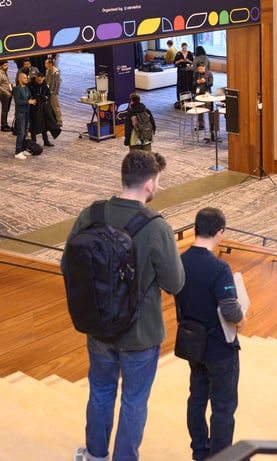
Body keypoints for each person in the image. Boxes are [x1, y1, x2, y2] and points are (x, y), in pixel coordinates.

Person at [66, 150, 185, 461]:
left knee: (101, 392)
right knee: (134, 400)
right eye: (157, 181)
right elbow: (175, 283)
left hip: (98, 327)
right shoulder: (156, 227)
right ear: (149, 184)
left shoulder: (90, 215)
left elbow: (68, 264)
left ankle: (95, 455)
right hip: (140, 334)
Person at [175, 207, 246, 461]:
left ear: (194, 230)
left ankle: (199, 451)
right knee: (223, 407)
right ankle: (220, 456)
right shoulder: (219, 268)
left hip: (192, 344)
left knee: (197, 398)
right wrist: (242, 319)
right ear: (220, 233)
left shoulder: (180, 261)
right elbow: (230, 310)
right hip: (219, 347)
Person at [28, 73, 55, 148]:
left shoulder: (44, 85)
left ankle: (46, 140)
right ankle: (34, 142)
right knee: (33, 125)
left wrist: (45, 97)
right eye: (38, 80)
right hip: (34, 108)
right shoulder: (31, 85)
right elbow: (30, 95)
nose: (40, 82)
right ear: (36, 78)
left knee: (44, 124)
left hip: (43, 107)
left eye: (41, 80)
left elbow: (48, 94)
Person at [192, 62, 217, 140]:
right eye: (199, 69)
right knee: (199, 110)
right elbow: (193, 83)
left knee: (209, 110)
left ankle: (211, 127)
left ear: (205, 67)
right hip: (198, 93)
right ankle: (201, 125)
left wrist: (205, 81)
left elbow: (211, 84)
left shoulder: (209, 74)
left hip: (206, 93)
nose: (200, 70)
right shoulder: (196, 74)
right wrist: (197, 82)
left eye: (202, 69)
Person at [12, 71, 33, 159]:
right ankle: (18, 151)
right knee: (21, 132)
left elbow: (30, 97)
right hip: (20, 113)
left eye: (27, 78)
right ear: (20, 79)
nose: (26, 79)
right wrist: (27, 102)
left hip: (26, 111)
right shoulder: (17, 89)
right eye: (24, 78)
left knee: (25, 131)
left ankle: (23, 148)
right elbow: (17, 101)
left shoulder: (26, 88)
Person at [0, 60, 12, 132]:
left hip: (8, 93)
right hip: (3, 95)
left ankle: (5, 124)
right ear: (1, 66)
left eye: (7, 65)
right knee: (4, 110)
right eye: (5, 65)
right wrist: (6, 92)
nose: (6, 67)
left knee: (6, 110)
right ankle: (3, 126)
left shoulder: (5, 73)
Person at [44, 58, 63, 127]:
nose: (45, 65)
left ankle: (59, 120)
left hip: (53, 92)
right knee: (49, 106)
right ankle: (52, 120)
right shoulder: (47, 71)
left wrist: (54, 92)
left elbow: (57, 84)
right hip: (48, 91)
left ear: (50, 64)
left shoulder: (56, 72)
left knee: (55, 106)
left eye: (46, 63)